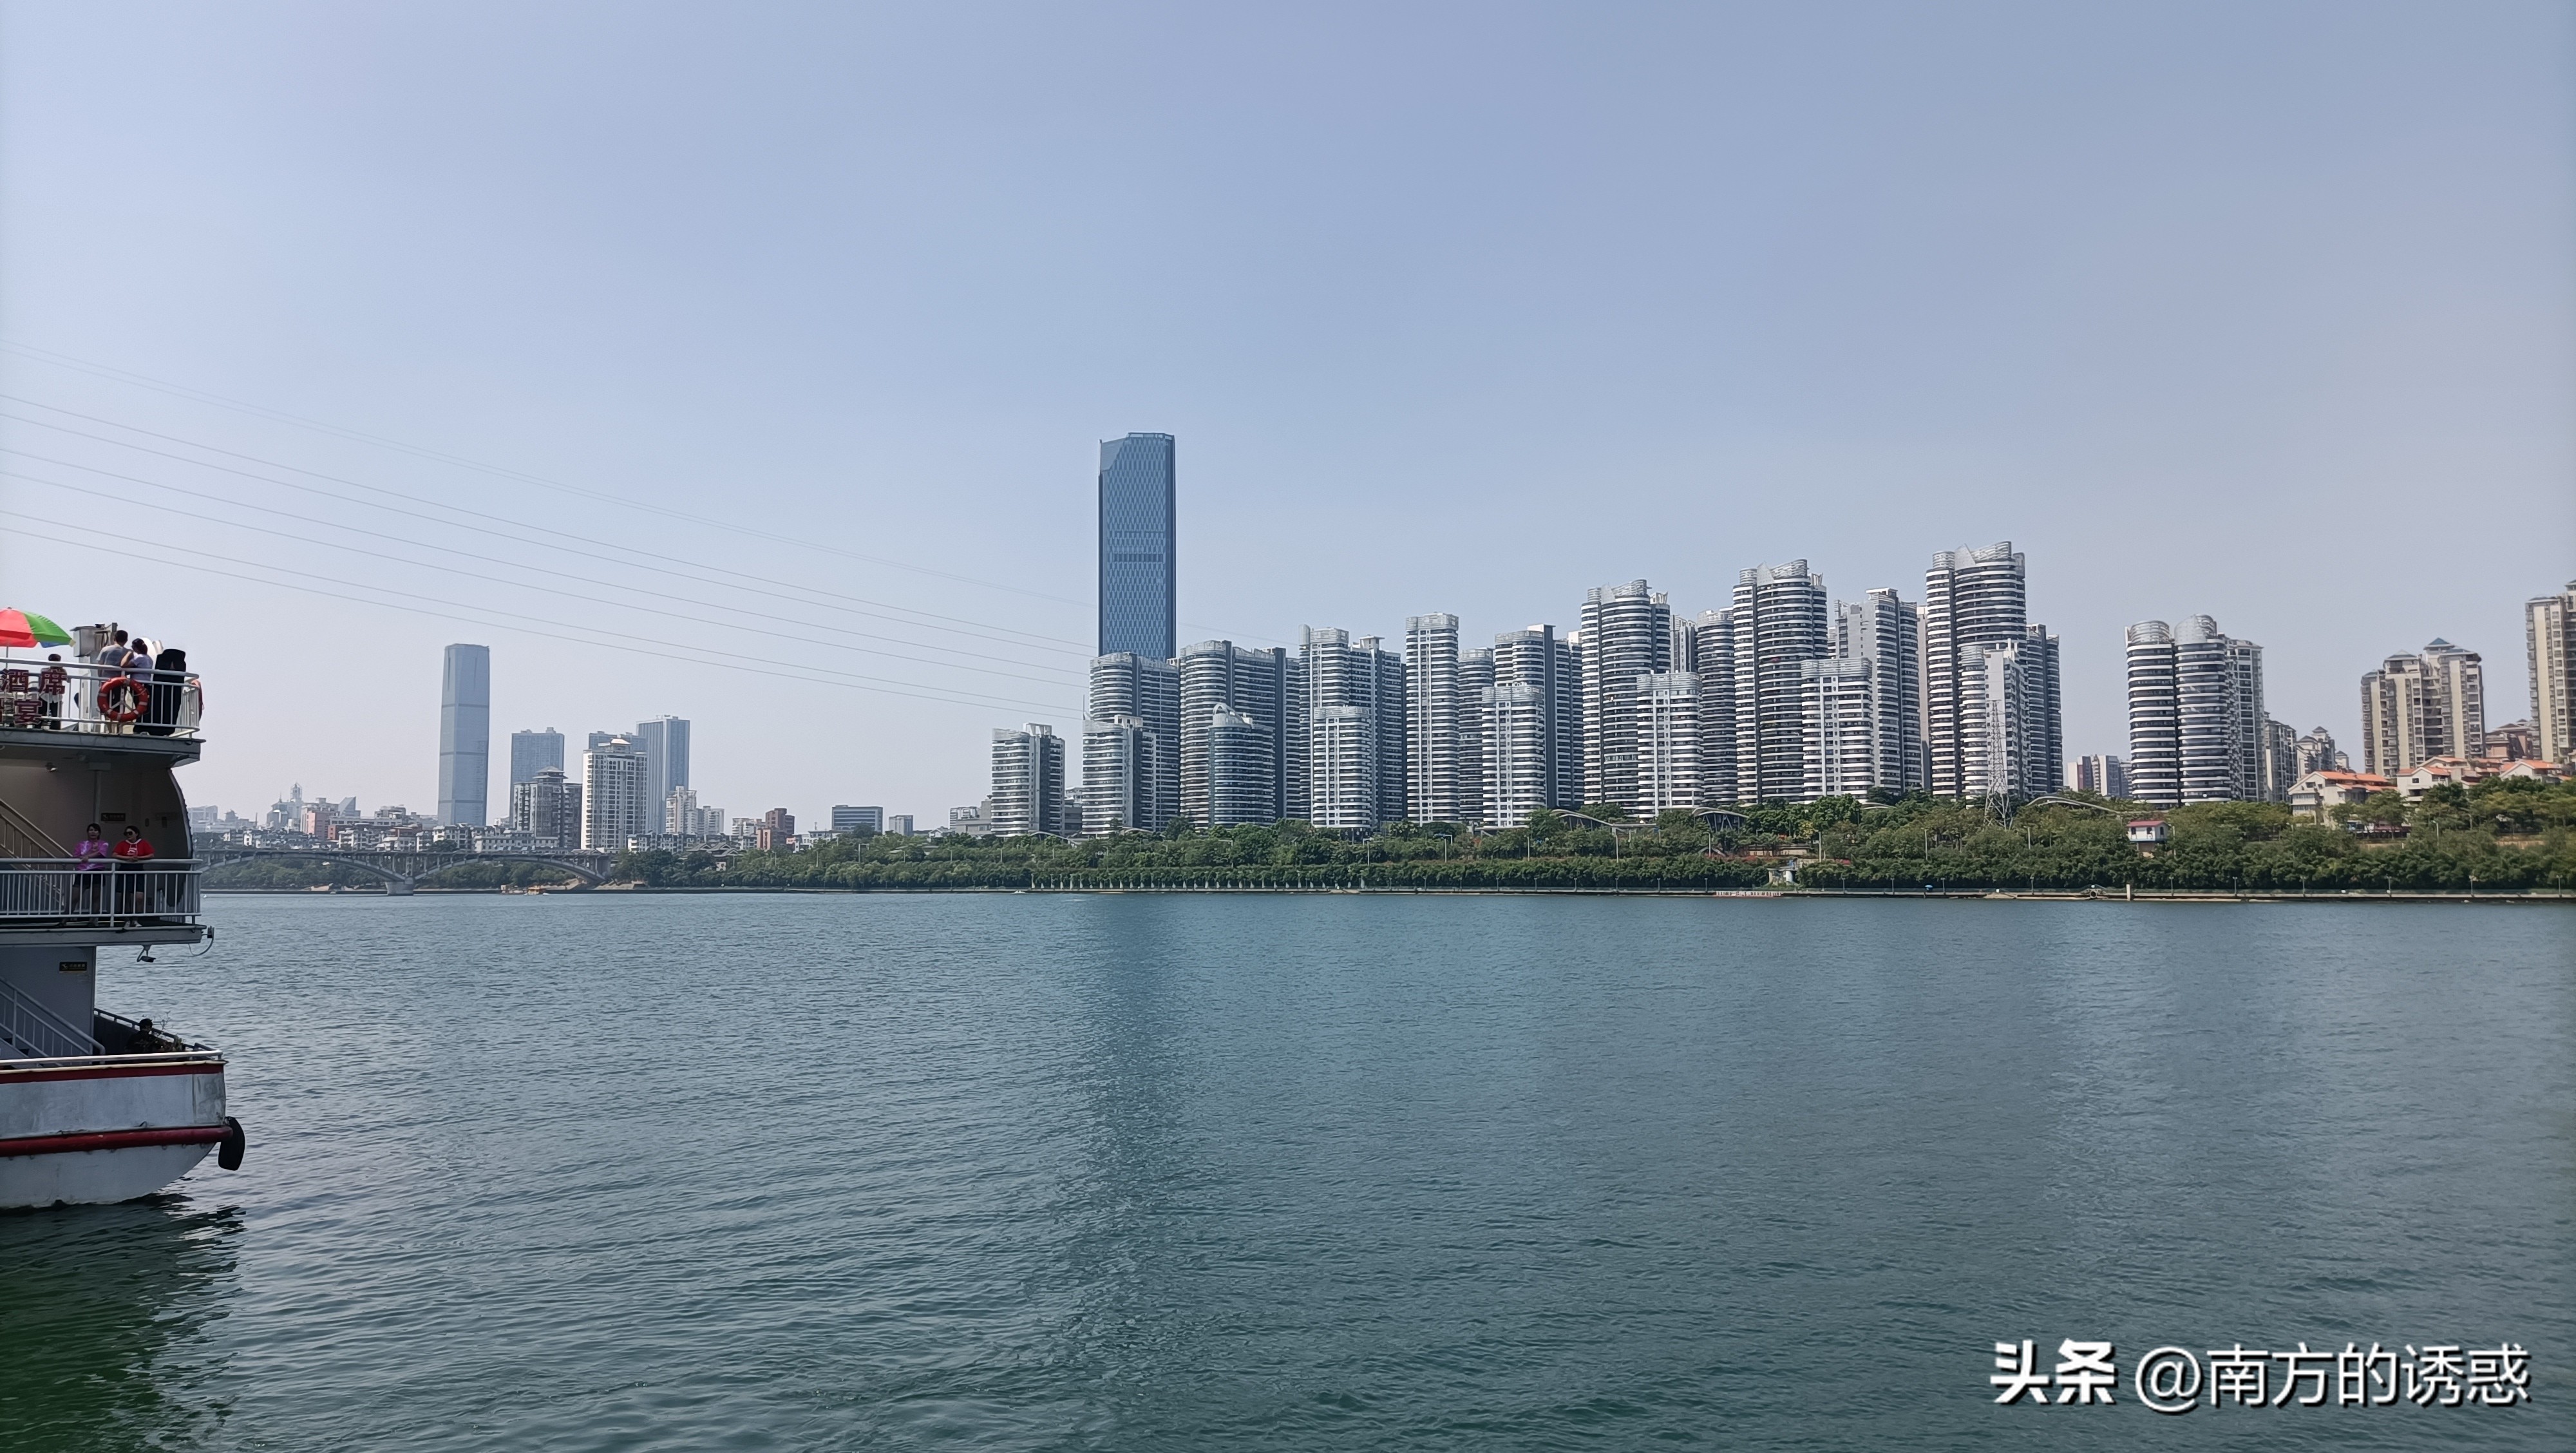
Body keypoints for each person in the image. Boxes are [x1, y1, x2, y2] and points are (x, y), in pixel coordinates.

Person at [112, 826, 155, 914]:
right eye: (126, 833)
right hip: (125, 870)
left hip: (138, 870)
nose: (128, 835)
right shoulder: (122, 844)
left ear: (136, 834)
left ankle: (136, 919)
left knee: (139, 897)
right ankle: (126, 919)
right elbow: (115, 855)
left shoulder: (143, 843)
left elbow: (151, 855)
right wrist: (127, 858)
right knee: (126, 897)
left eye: (130, 833)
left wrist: (139, 858)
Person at [74, 823, 112, 912]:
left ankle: (93, 921)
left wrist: (88, 856)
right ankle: (64, 920)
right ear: (87, 832)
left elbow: (100, 853)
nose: (93, 832)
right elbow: (76, 857)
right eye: (91, 830)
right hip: (83, 872)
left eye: (95, 830)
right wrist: (91, 852)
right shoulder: (81, 844)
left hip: (97, 871)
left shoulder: (104, 844)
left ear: (99, 833)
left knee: (96, 897)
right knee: (74, 897)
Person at [37, 654, 66, 728]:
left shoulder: (62, 671)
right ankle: (37, 729)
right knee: (40, 715)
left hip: (56, 696)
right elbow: (41, 682)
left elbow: (67, 679)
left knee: (56, 716)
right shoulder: (45, 670)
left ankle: (55, 730)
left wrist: (61, 669)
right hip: (45, 695)